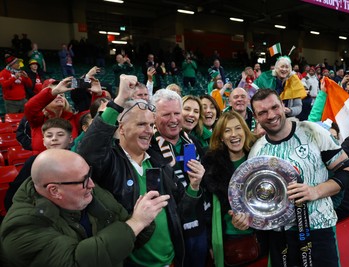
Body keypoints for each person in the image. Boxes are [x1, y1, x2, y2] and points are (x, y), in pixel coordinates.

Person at [77, 75, 202, 266]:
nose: (150, 131)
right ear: (122, 128)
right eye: (141, 124)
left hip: (171, 261)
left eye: (151, 125)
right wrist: (118, 101)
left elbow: (178, 211)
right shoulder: (111, 163)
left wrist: (193, 186)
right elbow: (88, 150)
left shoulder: (158, 162)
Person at [1, 149, 169, 267]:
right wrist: (136, 222)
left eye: (89, 175)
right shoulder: (21, 228)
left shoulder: (90, 193)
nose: (91, 184)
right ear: (54, 190)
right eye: (83, 180)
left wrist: (144, 221)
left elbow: (131, 238)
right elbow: (76, 262)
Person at [246, 89, 349, 267]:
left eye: (275, 107)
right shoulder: (257, 152)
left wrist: (315, 191)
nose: (271, 115)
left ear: (283, 106)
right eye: (263, 112)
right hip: (280, 234)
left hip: (318, 227)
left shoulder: (313, 131)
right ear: (256, 118)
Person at [150, 89, 209, 267]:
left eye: (177, 113)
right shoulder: (149, 148)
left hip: (200, 226)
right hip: (172, 231)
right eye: (166, 114)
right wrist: (194, 186)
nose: (174, 119)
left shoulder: (192, 141)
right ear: (153, 116)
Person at [202, 111, 259, 266]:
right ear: (221, 137)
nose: (234, 134)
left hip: (262, 238)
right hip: (229, 241)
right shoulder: (210, 166)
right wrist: (209, 243)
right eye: (227, 130)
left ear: (245, 131)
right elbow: (205, 211)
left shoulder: (259, 157)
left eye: (238, 128)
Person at [4, 118, 74, 211]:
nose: (54, 138)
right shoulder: (33, 162)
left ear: (70, 139)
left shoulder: (77, 161)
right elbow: (15, 191)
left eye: (60, 135)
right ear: (44, 141)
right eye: (49, 136)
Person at [24, 76, 105, 153]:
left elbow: (95, 115)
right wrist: (54, 92)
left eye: (62, 95)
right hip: (44, 164)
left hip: (70, 163)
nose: (59, 96)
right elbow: (29, 107)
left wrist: (98, 95)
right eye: (55, 95)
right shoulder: (37, 119)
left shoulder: (74, 118)